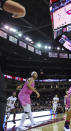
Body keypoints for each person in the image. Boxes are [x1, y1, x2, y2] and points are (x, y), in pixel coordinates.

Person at [0, 1, 25, 130]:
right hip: (7, 106)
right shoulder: (10, 97)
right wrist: (17, 14)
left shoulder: (13, 97)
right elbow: (20, 10)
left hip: (11, 107)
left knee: (11, 113)